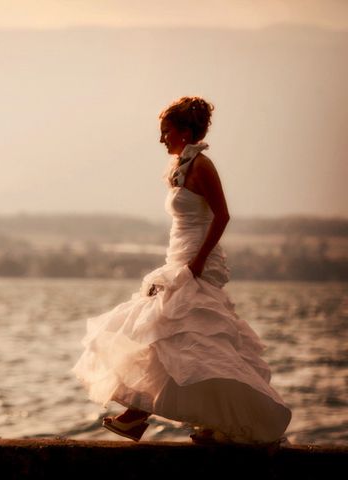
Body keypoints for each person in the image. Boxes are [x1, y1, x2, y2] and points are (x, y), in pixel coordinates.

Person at [72, 96, 292, 445]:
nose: (162, 139)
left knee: (176, 333)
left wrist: (199, 261)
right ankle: (204, 422)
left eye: (167, 131)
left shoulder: (203, 166)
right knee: (183, 340)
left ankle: (139, 416)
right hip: (179, 256)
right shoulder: (181, 165)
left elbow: (222, 216)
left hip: (195, 260)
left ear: (186, 131)